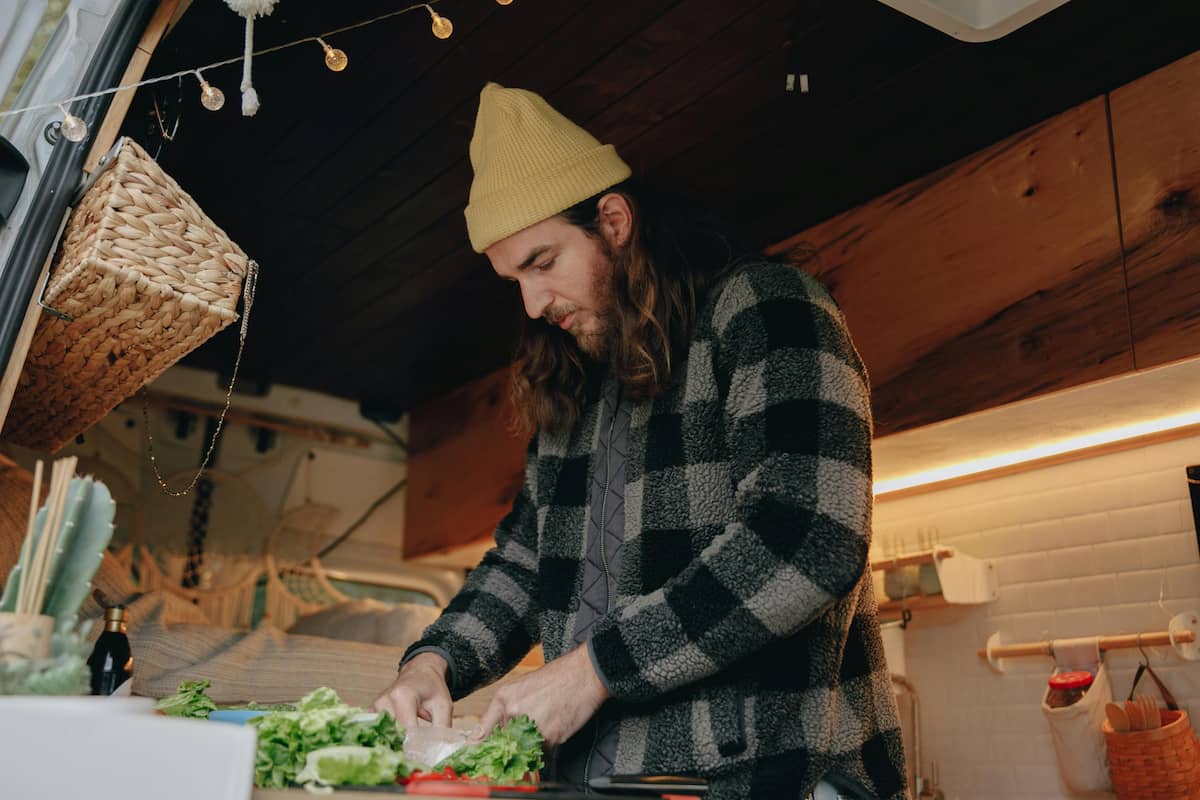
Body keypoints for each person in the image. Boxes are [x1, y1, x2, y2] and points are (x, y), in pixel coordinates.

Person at [373, 82, 907, 799]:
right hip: (604, 782)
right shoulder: (575, 384)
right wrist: (432, 663)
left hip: (773, 778)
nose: (532, 303)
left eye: (542, 262)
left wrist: (592, 669)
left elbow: (809, 535)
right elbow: (525, 564)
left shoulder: (765, 308)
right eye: (513, 280)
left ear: (614, 221)